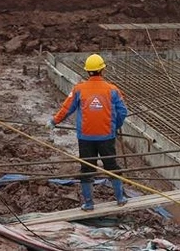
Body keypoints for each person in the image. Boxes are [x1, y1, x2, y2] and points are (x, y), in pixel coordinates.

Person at [46, 54, 128, 211]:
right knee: (112, 166)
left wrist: (53, 122)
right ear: (103, 70)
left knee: (87, 169)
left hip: (85, 137)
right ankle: (120, 198)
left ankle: (89, 203)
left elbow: (66, 109)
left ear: (87, 72)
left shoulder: (79, 89)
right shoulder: (112, 90)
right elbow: (123, 112)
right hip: (106, 136)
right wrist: (114, 126)